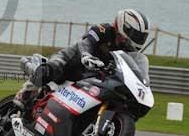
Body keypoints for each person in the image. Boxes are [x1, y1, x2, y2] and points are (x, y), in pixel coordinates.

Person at [15, 9, 151, 109]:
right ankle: (26, 92)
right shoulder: (103, 30)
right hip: (71, 62)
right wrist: (86, 55)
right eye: (135, 35)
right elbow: (86, 42)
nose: (137, 39)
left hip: (91, 75)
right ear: (124, 26)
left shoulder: (126, 52)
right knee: (54, 67)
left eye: (140, 37)